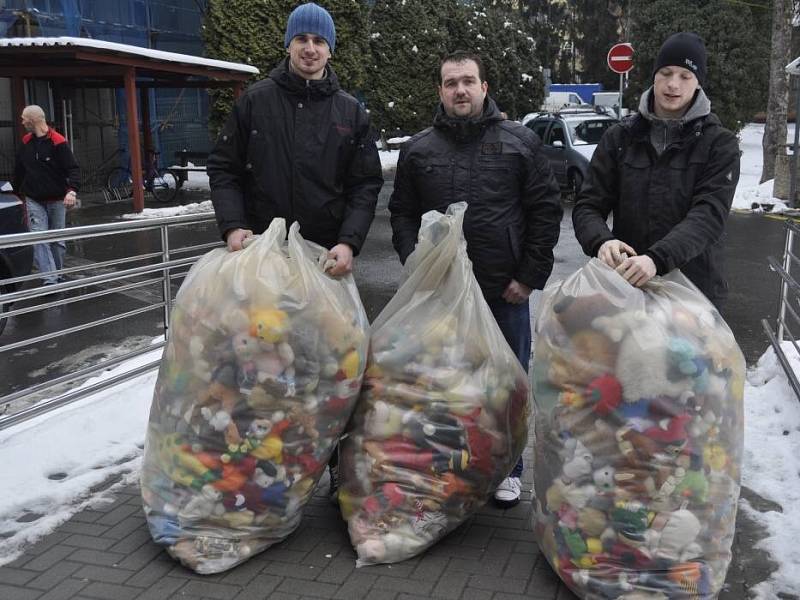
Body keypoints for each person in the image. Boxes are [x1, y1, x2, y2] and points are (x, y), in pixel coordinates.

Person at [207, 2, 383, 499]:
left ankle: (327, 465)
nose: (310, 49)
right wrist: (234, 227)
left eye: (319, 41)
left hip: (326, 266)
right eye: (302, 39)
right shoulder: (254, 102)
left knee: (328, 366)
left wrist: (349, 241)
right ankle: (269, 470)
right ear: (288, 45)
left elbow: (365, 184)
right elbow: (223, 168)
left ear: (330, 49)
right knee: (264, 366)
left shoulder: (351, 112)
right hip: (263, 265)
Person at [388, 51, 563, 508]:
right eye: (451, 83)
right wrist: (414, 262)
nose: (460, 90)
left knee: (506, 384)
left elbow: (545, 211)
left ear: (485, 87)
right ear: (440, 91)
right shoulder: (418, 149)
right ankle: (450, 462)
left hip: (503, 288)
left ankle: (509, 470)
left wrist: (528, 276)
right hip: (440, 292)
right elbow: (402, 212)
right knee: (443, 381)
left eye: (468, 81)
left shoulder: (519, 142)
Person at [572, 32, 740, 309]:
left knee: (686, 356)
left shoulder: (719, 144)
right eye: (666, 72)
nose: (673, 84)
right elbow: (588, 205)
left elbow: (708, 215)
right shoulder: (619, 138)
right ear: (655, 76)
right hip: (627, 288)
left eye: (685, 76)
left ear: (699, 83)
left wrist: (656, 259)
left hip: (695, 296)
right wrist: (601, 241)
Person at [12, 104, 80, 286]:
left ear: (33, 120)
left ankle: (56, 274)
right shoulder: (26, 142)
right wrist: (16, 192)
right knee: (39, 237)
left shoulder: (58, 142)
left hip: (57, 199)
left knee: (56, 241)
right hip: (34, 198)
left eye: (24, 118)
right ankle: (50, 279)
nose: (22, 121)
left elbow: (73, 169)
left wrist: (71, 191)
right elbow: (19, 170)